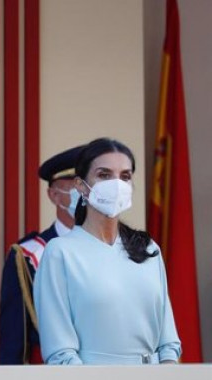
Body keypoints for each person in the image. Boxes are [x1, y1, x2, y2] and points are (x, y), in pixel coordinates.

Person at [33, 137, 181, 365]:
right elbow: (60, 351)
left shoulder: (148, 249)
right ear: (81, 186)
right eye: (104, 175)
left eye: (125, 176)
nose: (116, 184)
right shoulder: (60, 253)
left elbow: (168, 343)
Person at [0, 145, 83, 364]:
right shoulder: (28, 255)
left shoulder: (120, 249)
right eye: (76, 185)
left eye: (88, 184)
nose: (84, 193)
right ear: (54, 195)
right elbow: (13, 339)